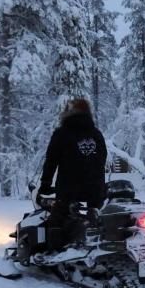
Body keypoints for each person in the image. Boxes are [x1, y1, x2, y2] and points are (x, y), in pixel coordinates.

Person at [38, 97, 108, 246]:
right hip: (95, 191)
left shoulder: (62, 133)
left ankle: (53, 256)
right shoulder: (96, 134)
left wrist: (45, 184)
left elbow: (51, 160)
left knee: (56, 220)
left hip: (69, 189)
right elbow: (102, 159)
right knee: (93, 218)